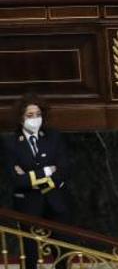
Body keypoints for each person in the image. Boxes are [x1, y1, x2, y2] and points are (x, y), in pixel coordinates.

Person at [2, 94, 71, 269]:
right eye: (29, 115)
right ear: (21, 118)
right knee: (30, 252)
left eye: (38, 114)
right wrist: (47, 171)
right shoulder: (10, 143)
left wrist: (31, 175)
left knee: (61, 249)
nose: (35, 119)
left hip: (55, 201)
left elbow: (63, 170)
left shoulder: (53, 137)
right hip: (28, 205)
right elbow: (16, 179)